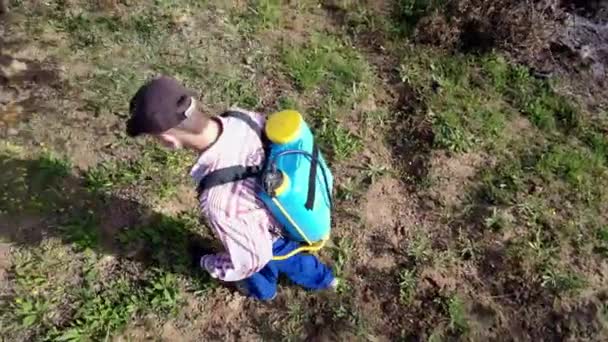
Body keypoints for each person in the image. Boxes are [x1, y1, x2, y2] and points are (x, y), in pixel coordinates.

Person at [125, 75, 338, 300]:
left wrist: (210, 262)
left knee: (259, 268)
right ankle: (326, 280)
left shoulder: (219, 201)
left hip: (270, 238)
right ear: (192, 103)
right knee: (299, 262)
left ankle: (264, 292)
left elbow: (250, 260)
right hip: (294, 207)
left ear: (169, 140)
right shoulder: (242, 116)